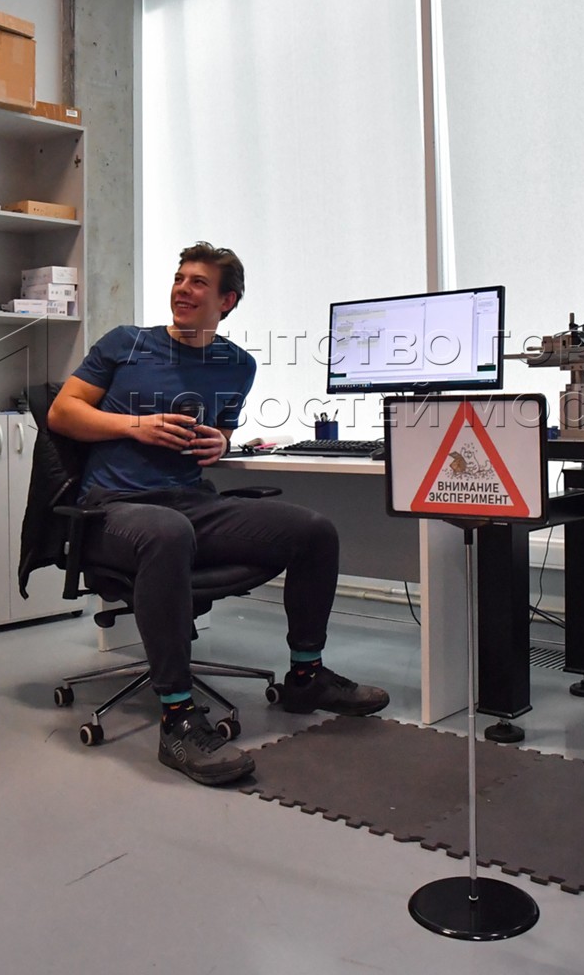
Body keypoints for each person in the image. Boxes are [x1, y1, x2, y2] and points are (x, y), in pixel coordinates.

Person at [49, 243, 388, 786]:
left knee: (314, 531)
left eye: (198, 282)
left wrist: (221, 441)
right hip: (112, 508)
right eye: (179, 278)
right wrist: (135, 426)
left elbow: (223, 428)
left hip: (190, 503)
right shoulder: (124, 343)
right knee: (167, 533)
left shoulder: (237, 365)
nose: (182, 289)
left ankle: (308, 676)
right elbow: (62, 413)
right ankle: (178, 718)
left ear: (226, 301)